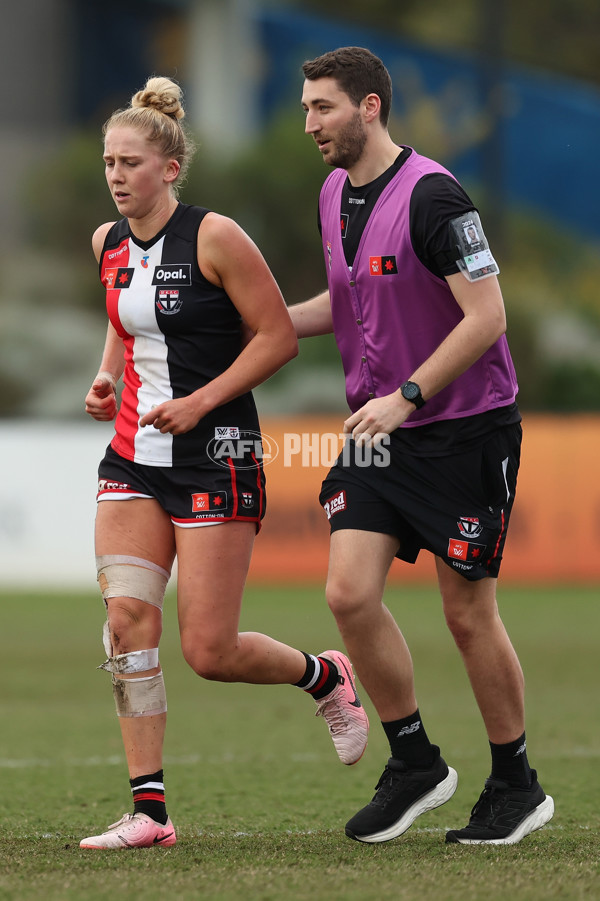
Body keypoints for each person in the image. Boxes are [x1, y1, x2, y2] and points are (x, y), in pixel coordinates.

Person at [80, 76, 368, 850]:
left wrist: (202, 402)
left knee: (209, 649)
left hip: (218, 457)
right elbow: (123, 321)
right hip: (134, 456)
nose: (115, 175)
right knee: (126, 622)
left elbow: (274, 336)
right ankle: (151, 812)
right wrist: (107, 375)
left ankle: (325, 675)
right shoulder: (108, 244)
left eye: (130, 162)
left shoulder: (216, 237)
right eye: (108, 161)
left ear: (169, 168)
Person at [292, 46, 554, 845]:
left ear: (370, 107)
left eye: (324, 108)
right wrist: (239, 319)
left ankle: (516, 784)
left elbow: (488, 317)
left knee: (467, 613)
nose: (311, 124)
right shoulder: (334, 194)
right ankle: (416, 764)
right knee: (347, 593)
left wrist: (406, 396)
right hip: (382, 433)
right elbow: (337, 306)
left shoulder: (437, 197)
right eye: (306, 109)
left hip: (463, 430)